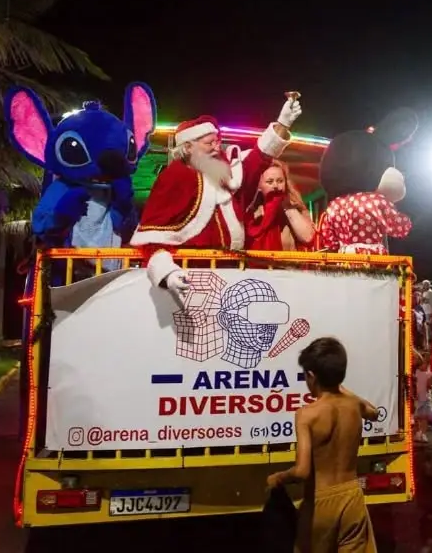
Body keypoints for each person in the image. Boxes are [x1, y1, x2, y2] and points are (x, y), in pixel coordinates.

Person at [131, 99, 301, 290]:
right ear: (188, 147)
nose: (216, 147)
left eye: (217, 141)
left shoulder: (225, 173)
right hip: (191, 274)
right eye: (208, 143)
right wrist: (168, 273)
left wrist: (283, 123)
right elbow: (153, 240)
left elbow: (258, 158)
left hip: (231, 271)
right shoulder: (175, 178)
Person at [266, 337, 379, 553]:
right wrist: (340, 387)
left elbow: (301, 471)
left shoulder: (306, 415)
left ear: (311, 376)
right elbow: (373, 412)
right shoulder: (354, 405)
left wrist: (278, 478)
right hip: (352, 497)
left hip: (321, 502)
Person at [245, 161, 315, 251]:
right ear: (259, 186)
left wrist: (288, 207)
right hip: (262, 263)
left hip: (290, 263)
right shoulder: (251, 211)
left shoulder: (295, 206)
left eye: (280, 181)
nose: (275, 186)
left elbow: (308, 238)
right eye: (270, 182)